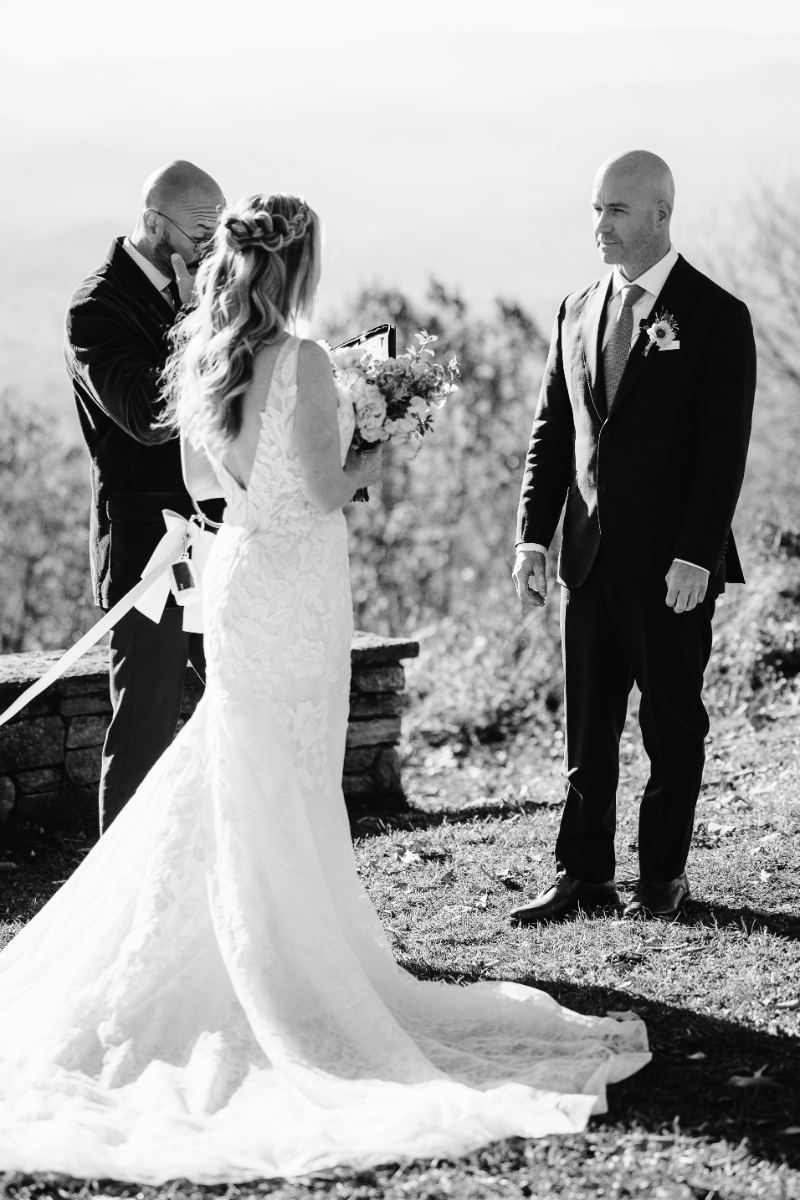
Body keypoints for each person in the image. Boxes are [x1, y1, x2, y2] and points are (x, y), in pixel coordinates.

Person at [0, 192, 648, 1183]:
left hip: (238, 571)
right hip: (296, 583)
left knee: (243, 761)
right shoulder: (298, 358)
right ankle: (291, 966)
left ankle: (237, 943)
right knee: (293, 768)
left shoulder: (198, 348)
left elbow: (202, 482)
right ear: (299, 264)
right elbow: (321, 488)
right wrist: (382, 443)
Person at [510, 150, 756, 924]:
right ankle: (582, 875)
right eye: (595, 209)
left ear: (660, 213)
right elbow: (553, 433)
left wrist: (695, 554)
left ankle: (660, 881)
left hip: (671, 567)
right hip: (587, 559)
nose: (601, 226)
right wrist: (531, 539)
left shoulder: (716, 315)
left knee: (671, 727)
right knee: (587, 731)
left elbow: (723, 452)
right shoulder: (576, 308)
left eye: (616, 210)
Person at [65, 159, 226, 832]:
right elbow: (147, 416)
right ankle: (122, 883)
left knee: (238, 706)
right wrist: (193, 322)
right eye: (202, 233)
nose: (214, 248)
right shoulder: (96, 308)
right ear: (156, 224)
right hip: (148, 554)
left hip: (220, 539)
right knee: (143, 731)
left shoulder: (208, 291)